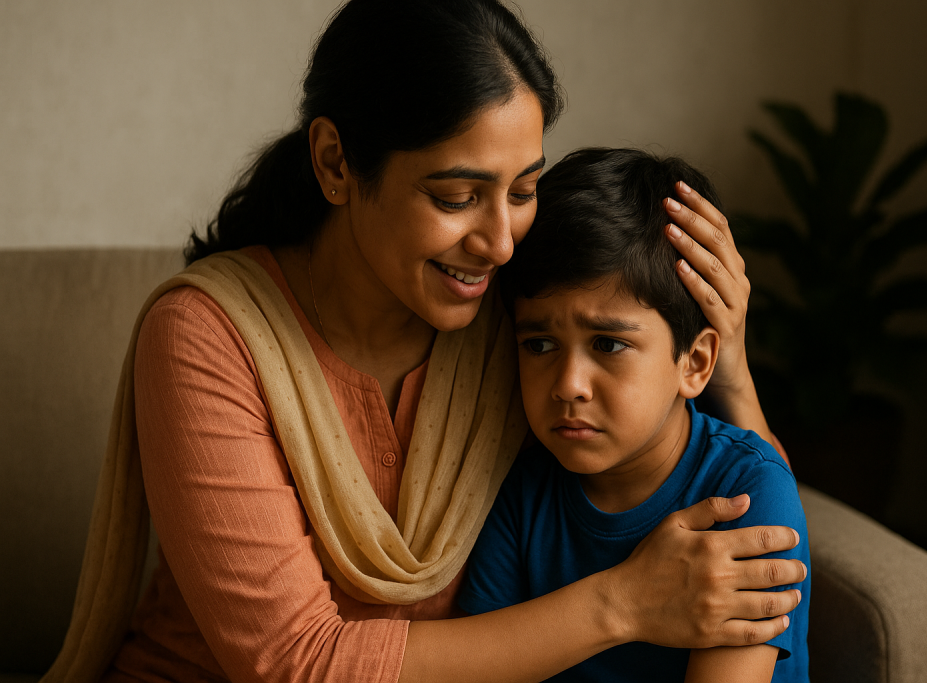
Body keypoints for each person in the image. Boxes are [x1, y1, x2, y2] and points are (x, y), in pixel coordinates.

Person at [42, 2, 806, 682]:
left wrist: (724, 364)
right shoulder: (208, 336)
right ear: (336, 163)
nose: (502, 242)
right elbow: (293, 661)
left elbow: (727, 485)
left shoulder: (515, 322)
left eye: (523, 190)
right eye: (456, 197)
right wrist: (621, 605)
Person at [459, 147, 810, 682]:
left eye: (608, 344)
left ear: (694, 364)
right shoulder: (522, 489)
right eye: (539, 345)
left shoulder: (744, 490)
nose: (568, 386)